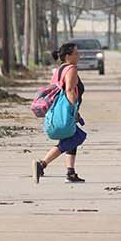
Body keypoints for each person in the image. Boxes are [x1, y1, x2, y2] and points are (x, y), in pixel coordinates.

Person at [34, 43, 86, 184]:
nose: (79, 55)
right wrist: (72, 109)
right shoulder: (71, 69)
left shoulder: (59, 70)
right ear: (68, 56)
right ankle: (42, 164)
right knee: (77, 137)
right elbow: (69, 90)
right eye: (76, 53)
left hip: (58, 110)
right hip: (66, 111)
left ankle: (70, 172)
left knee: (72, 139)